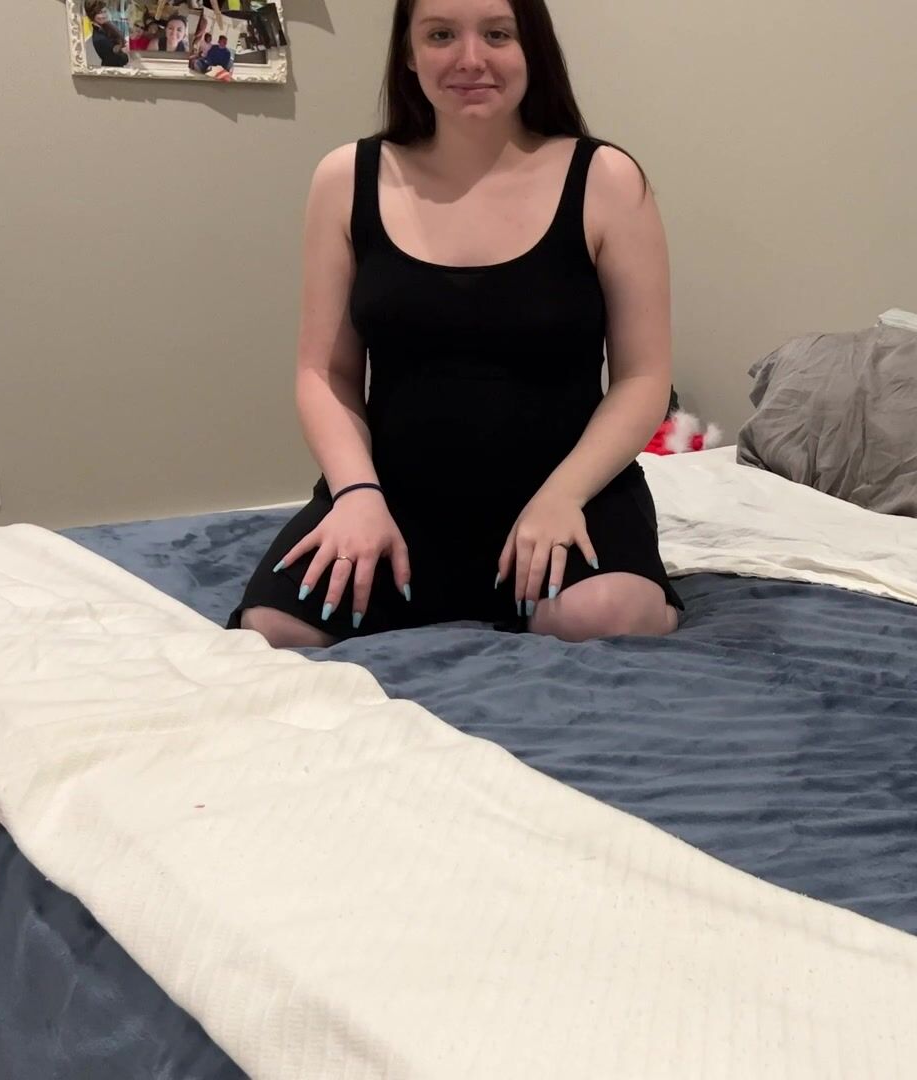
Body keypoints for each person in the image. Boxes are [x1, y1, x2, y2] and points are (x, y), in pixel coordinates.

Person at [227, 0, 681, 649]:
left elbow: (643, 379)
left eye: (497, 34)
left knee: (593, 618)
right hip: (393, 497)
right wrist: (356, 493)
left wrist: (563, 496)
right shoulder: (346, 178)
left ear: (532, 47)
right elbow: (324, 373)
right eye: (441, 34)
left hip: (568, 494)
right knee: (275, 629)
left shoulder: (606, 178)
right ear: (409, 54)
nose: (471, 59)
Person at [87, 2, 131, 67]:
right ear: (92, 15)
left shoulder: (106, 27)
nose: (103, 15)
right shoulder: (100, 38)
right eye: (99, 13)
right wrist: (124, 53)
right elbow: (121, 60)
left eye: (105, 12)